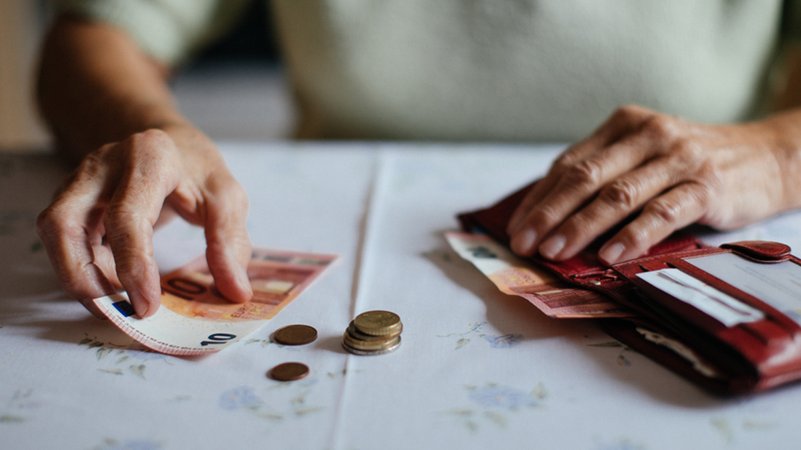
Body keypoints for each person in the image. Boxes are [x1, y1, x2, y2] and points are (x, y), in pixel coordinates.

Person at [36, 0, 801, 318]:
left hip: (698, 255)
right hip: (352, 260)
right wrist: (145, 125)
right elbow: (93, 34)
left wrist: (775, 151)